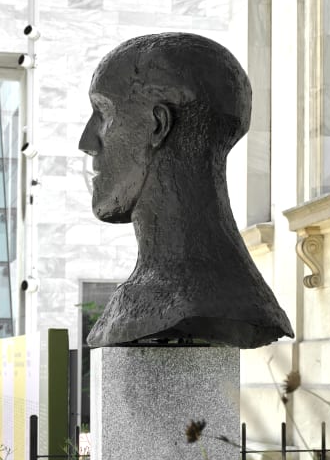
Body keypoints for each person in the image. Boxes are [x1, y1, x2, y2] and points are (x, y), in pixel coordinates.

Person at [79, 32, 293, 348]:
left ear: (157, 125)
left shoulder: (197, 297)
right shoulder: (149, 295)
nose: (87, 142)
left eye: (104, 113)